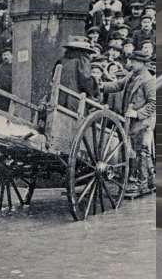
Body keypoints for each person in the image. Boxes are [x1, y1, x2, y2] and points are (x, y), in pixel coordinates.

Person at [100, 51, 156, 194]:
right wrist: (102, 86)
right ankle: (148, 182)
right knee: (136, 152)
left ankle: (141, 184)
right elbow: (118, 85)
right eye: (131, 61)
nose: (130, 64)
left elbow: (154, 103)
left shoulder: (148, 80)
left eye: (134, 62)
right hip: (130, 121)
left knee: (140, 152)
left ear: (142, 63)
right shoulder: (132, 75)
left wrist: (138, 113)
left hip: (141, 122)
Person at [53, 36, 97, 112]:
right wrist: (94, 92)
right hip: (74, 102)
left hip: (58, 99)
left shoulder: (61, 60)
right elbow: (85, 81)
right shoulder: (82, 60)